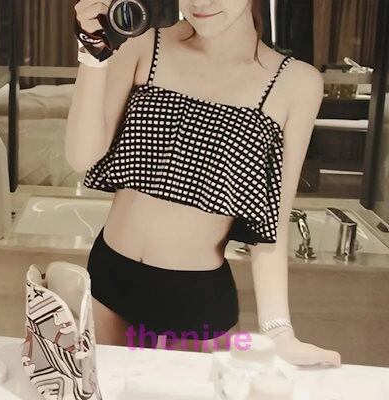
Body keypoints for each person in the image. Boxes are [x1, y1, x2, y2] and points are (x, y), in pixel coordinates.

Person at [66, 0, 341, 366]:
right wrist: (92, 54)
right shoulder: (144, 45)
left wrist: (279, 332)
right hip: (110, 277)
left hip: (196, 298)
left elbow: (273, 221)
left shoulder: (296, 82)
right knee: (101, 387)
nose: (200, 2)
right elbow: (81, 157)